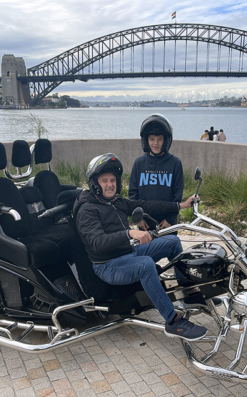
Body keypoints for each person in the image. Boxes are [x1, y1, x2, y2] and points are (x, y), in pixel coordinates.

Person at [74, 153, 208, 340]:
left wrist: (180, 205)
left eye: (113, 180)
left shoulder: (116, 202)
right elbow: (97, 243)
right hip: (108, 265)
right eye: (104, 181)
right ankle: (173, 321)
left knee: (173, 241)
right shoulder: (87, 209)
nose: (110, 184)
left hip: (128, 252)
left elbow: (147, 204)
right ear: (94, 183)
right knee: (145, 264)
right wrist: (130, 233)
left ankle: (188, 293)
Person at [129, 114, 183, 232]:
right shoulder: (139, 163)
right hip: (145, 224)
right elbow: (133, 194)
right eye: (152, 139)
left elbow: (177, 196)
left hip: (167, 224)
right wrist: (139, 218)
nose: (156, 143)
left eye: (160, 139)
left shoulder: (175, 163)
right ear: (146, 140)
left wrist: (171, 219)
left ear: (166, 140)